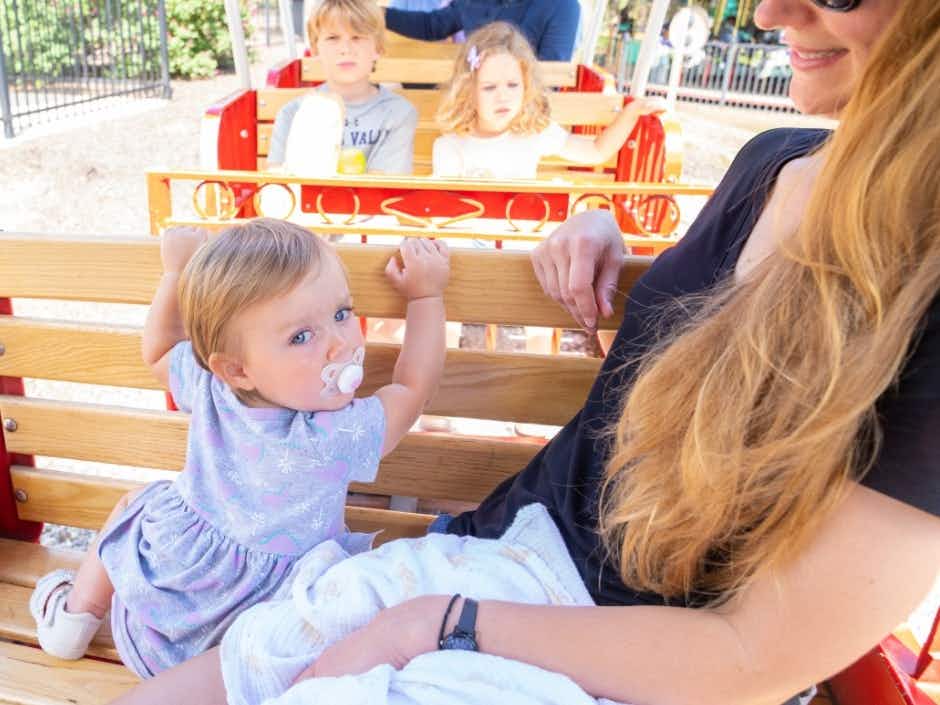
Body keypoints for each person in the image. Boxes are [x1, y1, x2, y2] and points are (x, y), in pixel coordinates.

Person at [111, 0, 940, 703]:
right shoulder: (773, 162)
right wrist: (610, 247)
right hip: (516, 545)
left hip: (617, 640)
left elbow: (750, 660)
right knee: (278, 642)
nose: (765, 12)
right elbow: (720, 347)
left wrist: (440, 620)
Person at [29, 219, 450, 677]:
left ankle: (75, 614)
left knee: (138, 505)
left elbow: (158, 351)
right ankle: (79, 619)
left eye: (342, 313)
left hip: (171, 604)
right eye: (301, 337)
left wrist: (175, 272)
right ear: (238, 369)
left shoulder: (215, 388)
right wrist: (425, 297)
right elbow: (413, 387)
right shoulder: (337, 434)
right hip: (267, 627)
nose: (339, 345)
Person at [431, 22, 665, 180]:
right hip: (471, 249)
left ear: (526, 87)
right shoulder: (451, 146)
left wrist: (632, 111)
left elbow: (595, 151)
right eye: (489, 87)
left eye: (513, 85)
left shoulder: (534, 133)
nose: (503, 96)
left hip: (522, 244)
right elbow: (447, 212)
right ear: (467, 92)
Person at [268, 0, 419, 175]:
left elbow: (382, 189)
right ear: (315, 48)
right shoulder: (292, 113)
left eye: (357, 37)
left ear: (377, 47)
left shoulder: (398, 113)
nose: (346, 49)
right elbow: (279, 188)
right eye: (333, 38)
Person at [384, 0, 580, 62]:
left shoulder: (562, 6)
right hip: (473, 108)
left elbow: (550, 77)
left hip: (523, 117)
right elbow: (432, 26)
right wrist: (378, 14)